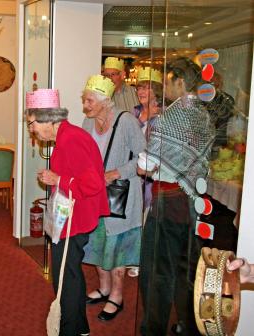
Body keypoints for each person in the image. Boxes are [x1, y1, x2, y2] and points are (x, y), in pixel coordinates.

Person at [137, 57, 215, 336]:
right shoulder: (204, 115)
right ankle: (186, 325)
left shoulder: (171, 116)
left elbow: (143, 166)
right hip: (191, 200)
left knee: (156, 272)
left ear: (180, 81)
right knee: (186, 268)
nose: (165, 87)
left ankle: (153, 329)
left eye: (167, 81)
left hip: (167, 201)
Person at [25, 88, 109, 336]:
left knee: (65, 278)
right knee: (70, 272)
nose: (31, 130)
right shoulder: (65, 137)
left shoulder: (72, 139)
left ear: (48, 119)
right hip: (71, 216)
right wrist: (57, 179)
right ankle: (80, 327)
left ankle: (69, 330)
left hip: (76, 218)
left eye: (32, 123)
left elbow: (94, 183)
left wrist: (58, 179)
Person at [81, 75, 146, 321]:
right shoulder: (87, 123)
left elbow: (143, 159)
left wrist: (116, 172)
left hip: (123, 197)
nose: (85, 105)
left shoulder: (127, 120)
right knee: (97, 243)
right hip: (95, 195)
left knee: (118, 247)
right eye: (84, 99)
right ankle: (104, 287)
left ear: (105, 101)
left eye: (89, 100)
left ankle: (116, 296)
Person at [128, 67, 164, 277]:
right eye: (140, 87)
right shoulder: (134, 111)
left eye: (147, 87)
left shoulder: (163, 115)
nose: (142, 91)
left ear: (156, 91)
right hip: (133, 170)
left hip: (150, 175)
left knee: (146, 217)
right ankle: (132, 256)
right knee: (133, 214)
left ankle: (142, 260)